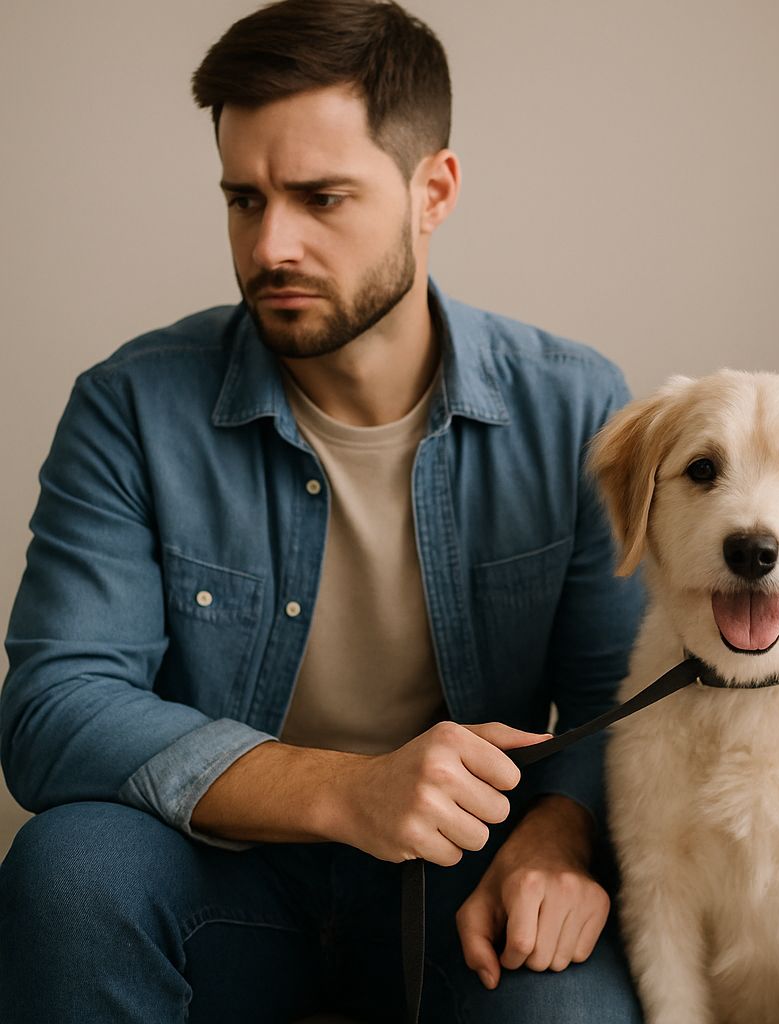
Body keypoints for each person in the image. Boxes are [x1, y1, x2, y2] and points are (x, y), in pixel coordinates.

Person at [0, 1, 646, 1020]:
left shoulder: (575, 407)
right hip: (223, 866)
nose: (271, 245)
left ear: (434, 191)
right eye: (244, 199)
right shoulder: (131, 406)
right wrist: (346, 792)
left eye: (321, 198)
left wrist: (559, 838)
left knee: (570, 1009)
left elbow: (625, 698)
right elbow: (55, 709)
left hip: (467, 872)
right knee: (68, 873)